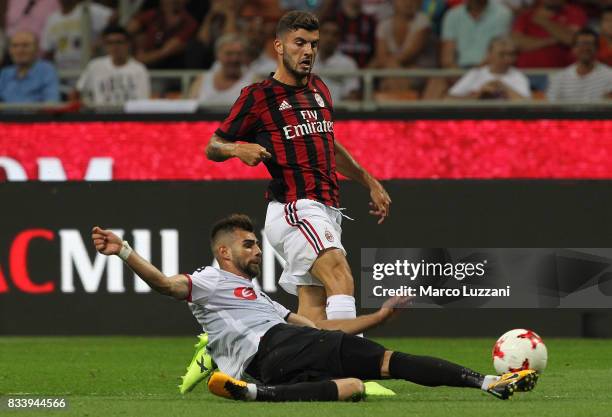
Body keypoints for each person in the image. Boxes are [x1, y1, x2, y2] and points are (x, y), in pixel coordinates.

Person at [91, 215, 539, 402]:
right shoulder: (209, 280)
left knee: (353, 388)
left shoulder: (261, 297)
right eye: (249, 245)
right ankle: (488, 382)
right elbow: (167, 285)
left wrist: (377, 318)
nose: (257, 251)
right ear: (225, 253)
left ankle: (256, 394)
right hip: (274, 348)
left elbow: (320, 326)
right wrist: (125, 250)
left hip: (275, 360)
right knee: (392, 362)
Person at [205, 10, 391, 333]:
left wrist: (368, 180)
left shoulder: (320, 89)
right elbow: (213, 144)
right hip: (295, 206)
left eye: (313, 45)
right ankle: (357, 367)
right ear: (279, 46)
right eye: (299, 43)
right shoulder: (258, 96)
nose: (307, 52)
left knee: (314, 313)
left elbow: (329, 145)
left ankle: (265, 354)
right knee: (340, 274)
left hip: (326, 208)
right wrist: (238, 149)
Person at [74, 25, 150, 105]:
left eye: (119, 42)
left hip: (129, 116)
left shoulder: (139, 69)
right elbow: (77, 92)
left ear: (128, 44)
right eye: (110, 43)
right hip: (101, 116)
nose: (115, 47)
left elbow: (144, 101)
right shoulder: (95, 66)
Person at [447, 36, 531, 100]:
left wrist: (504, 88)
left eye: (511, 54)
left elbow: (527, 105)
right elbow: (450, 100)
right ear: (489, 54)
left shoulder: (519, 76)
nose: (508, 59)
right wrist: (480, 93)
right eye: (502, 54)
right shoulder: (475, 73)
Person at [512, 0, 587, 69]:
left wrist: (544, 21)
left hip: (561, 71)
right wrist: (554, 40)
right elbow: (517, 43)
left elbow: (572, 39)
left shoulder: (574, 12)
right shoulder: (526, 15)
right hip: (526, 71)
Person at [41, 0, 113, 71]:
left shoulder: (88, 9)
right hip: (64, 74)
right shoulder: (52, 18)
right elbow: (48, 50)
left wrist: (99, 42)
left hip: (90, 69)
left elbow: (116, 17)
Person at [441, 0, 512, 69]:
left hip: (490, 69)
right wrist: (463, 76)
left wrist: (475, 73)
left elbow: (500, 50)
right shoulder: (452, 14)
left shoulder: (502, 13)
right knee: (436, 80)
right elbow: (447, 58)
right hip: (459, 71)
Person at [127, 0, 197, 69]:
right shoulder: (154, 15)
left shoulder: (189, 22)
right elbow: (126, 31)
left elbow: (165, 52)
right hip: (141, 62)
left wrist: (138, 60)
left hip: (168, 66)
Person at [187, 34, 254, 106]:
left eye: (239, 54)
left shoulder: (253, 82)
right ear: (218, 55)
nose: (234, 59)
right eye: (229, 54)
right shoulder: (202, 80)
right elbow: (189, 108)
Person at [547, 28, 612, 101]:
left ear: (597, 48)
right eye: (580, 44)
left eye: (589, 44)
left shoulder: (609, 76)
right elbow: (550, 108)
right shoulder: (559, 79)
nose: (585, 48)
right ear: (573, 48)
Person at [0, 30, 59, 103]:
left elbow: (51, 103)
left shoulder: (47, 71)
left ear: (37, 49)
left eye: (25, 45)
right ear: (9, 50)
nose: (19, 50)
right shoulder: (5, 73)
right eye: (15, 46)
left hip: (36, 114)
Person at [311, 19, 359, 103]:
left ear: (339, 38)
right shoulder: (306, 60)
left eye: (334, 34)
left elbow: (352, 95)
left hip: (337, 112)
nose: (329, 38)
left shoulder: (348, 63)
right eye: (325, 33)